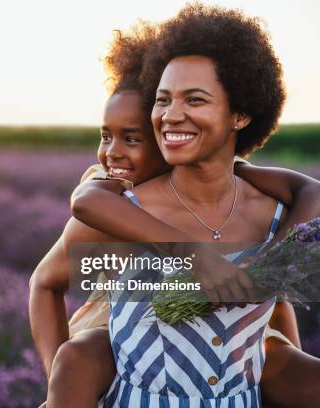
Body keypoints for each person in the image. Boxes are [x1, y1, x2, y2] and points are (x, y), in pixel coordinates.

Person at [29, 6, 320, 408]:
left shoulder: (269, 210)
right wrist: (62, 387)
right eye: (162, 100)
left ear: (241, 114)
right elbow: (49, 278)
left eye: (195, 100)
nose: (171, 115)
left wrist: (275, 267)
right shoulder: (121, 214)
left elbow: (278, 304)